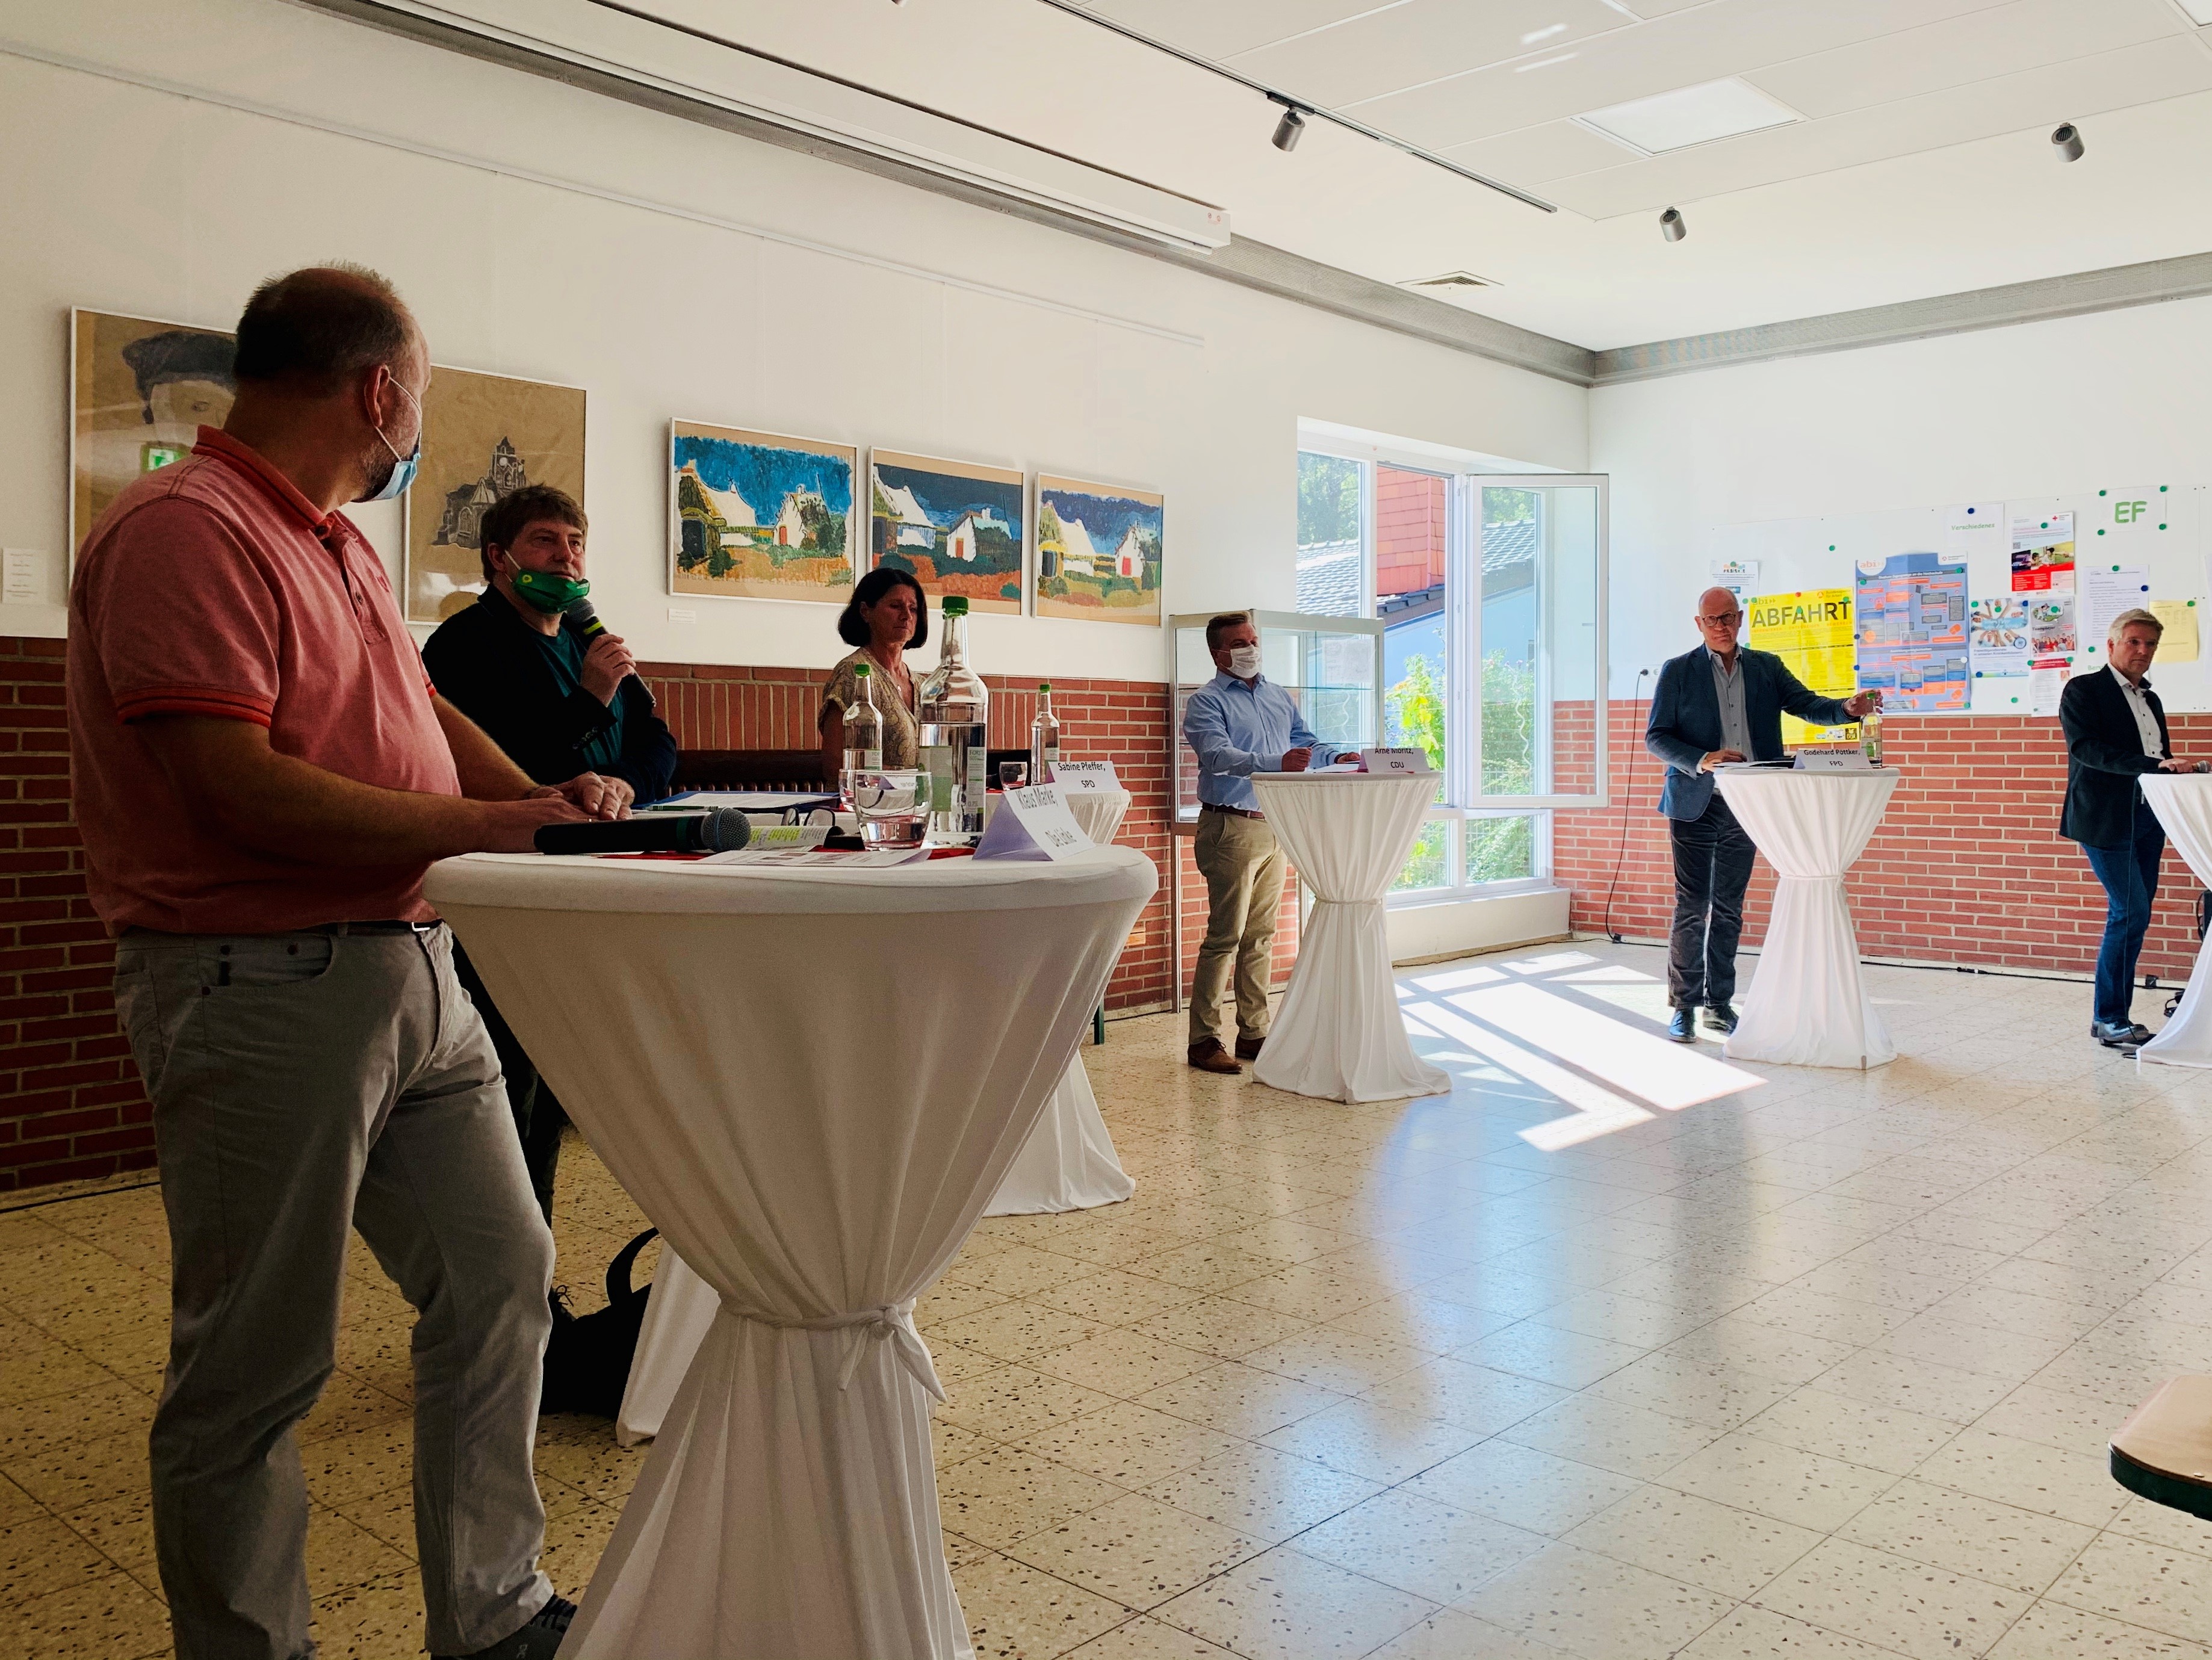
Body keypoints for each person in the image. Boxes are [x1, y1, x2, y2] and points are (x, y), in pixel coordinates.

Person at [67, 265, 618, 1660]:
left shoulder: (333, 542)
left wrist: (542, 803)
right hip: (259, 981)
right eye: (419, 397)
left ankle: (491, 1614)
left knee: (500, 1279)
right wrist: (495, 824)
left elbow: (419, 711)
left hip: (414, 969)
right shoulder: (186, 532)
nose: (415, 424)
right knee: (253, 1369)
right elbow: (234, 793)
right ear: (381, 392)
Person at [423, 485, 675, 1221]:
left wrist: (625, 784)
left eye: (576, 543)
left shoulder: (588, 642)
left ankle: (532, 1268)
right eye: (545, 541)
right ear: (499, 559)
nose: (565, 556)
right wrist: (593, 698)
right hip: (508, 893)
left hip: (591, 882)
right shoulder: (465, 645)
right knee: (509, 1083)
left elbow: (659, 745)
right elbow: (504, 768)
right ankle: (513, 1262)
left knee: (557, 1076)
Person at [1646, 586, 1879, 1043]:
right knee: (1692, 907)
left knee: (1729, 908)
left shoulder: (1765, 668)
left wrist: (1845, 710)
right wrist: (1704, 758)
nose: (1721, 626)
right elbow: (1657, 737)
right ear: (1698, 624)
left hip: (1751, 803)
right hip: (1695, 801)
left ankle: (1718, 1004)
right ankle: (1685, 1007)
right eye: (1712, 619)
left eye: (1728, 617)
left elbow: (1808, 706)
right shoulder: (1678, 671)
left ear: (1741, 618)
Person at [1180, 612, 1340, 1073]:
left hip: (1277, 824)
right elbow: (1216, 756)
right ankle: (1203, 1040)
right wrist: (1278, 762)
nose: (1250, 648)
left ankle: (1252, 1032)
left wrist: (1339, 754)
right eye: (1239, 643)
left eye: (1253, 640)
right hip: (1231, 827)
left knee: (1262, 935)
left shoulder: (1276, 696)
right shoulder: (1205, 702)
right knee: (1225, 936)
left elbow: (1305, 743)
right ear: (1218, 653)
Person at [2060, 608, 2206, 1048]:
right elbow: (2087, 749)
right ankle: (2108, 1018)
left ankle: (2113, 1016)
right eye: (2134, 642)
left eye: (2150, 645)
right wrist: (2154, 765)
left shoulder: (2152, 699)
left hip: (2149, 817)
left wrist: (2176, 772)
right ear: (2111, 645)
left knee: (2134, 916)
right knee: (2130, 912)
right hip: (2104, 818)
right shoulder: (2083, 690)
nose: (2143, 652)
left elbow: (2158, 753)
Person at [819, 566, 927, 777]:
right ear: (865, 612)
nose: (906, 616)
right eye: (896, 606)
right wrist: (904, 778)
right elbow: (834, 764)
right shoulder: (853, 673)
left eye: (913, 609)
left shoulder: (925, 686)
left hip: (918, 805)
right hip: (864, 805)